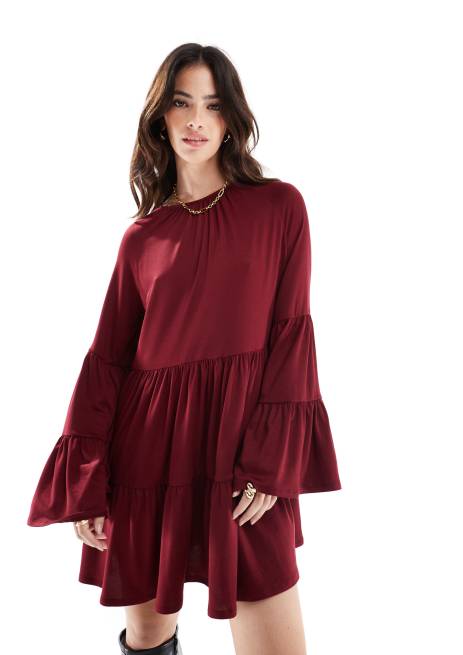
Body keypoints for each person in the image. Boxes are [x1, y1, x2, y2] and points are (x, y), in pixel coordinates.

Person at [26, 43, 342, 655]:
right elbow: (109, 360)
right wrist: (89, 479)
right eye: (182, 103)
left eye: (213, 105)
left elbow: (291, 334)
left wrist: (272, 460)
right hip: (147, 448)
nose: (196, 120)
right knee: (147, 635)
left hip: (240, 449)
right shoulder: (142, 237)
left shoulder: (279, 207)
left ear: (231, 120)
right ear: (161, 117)